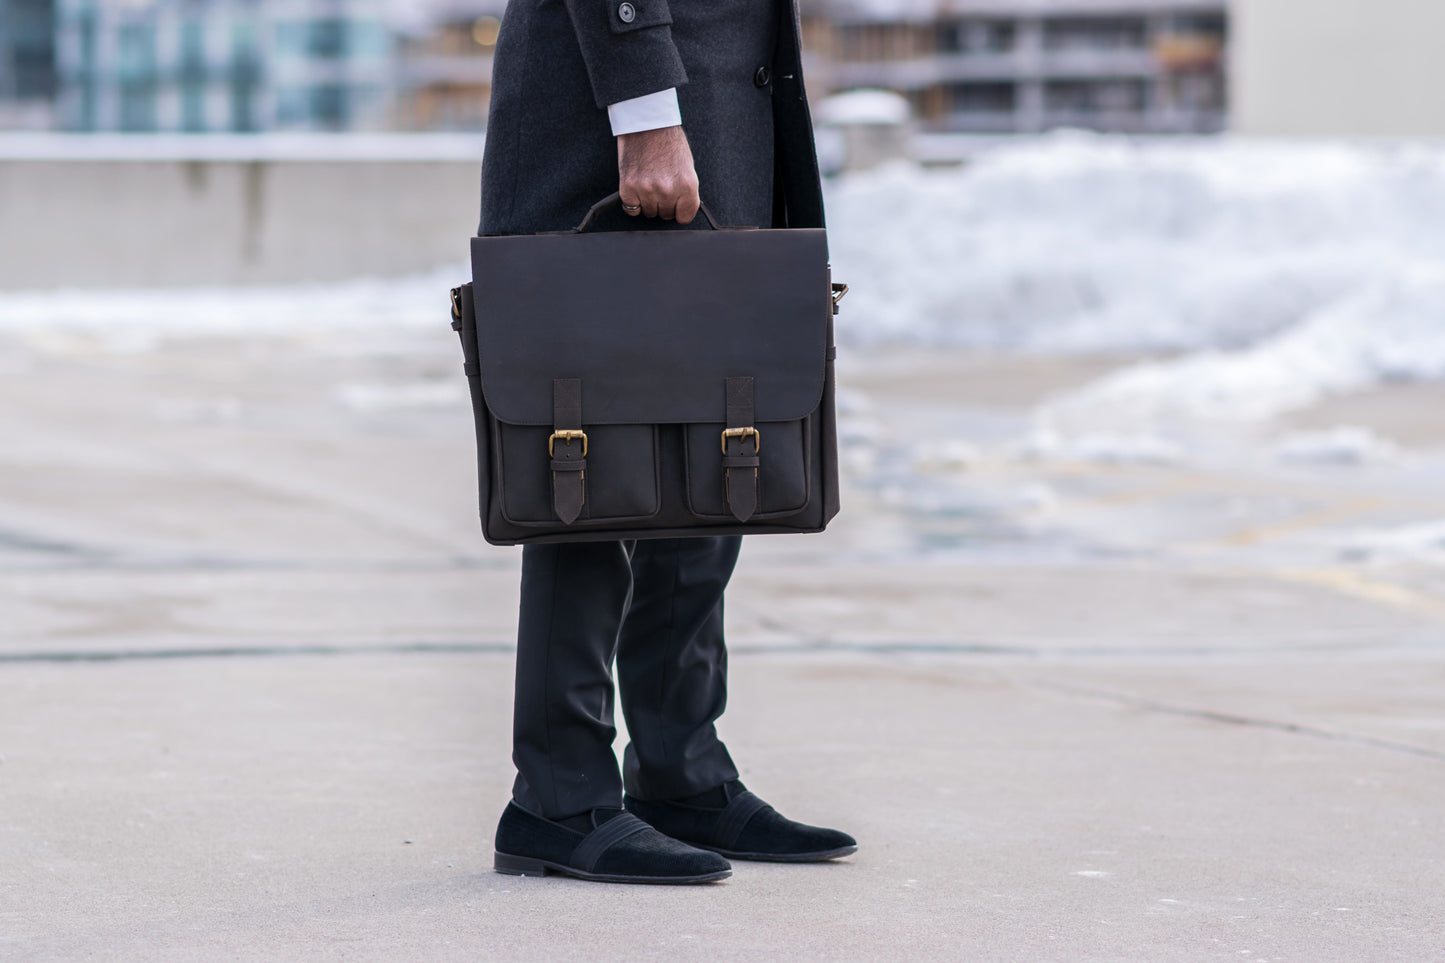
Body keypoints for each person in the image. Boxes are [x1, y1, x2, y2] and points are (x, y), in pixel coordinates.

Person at [480, 0, 856, 884]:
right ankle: (557, 793)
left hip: (720, 113)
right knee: (585, 459)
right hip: (613, 114)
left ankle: (679, 771)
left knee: (714, 434)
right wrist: (646, 113)